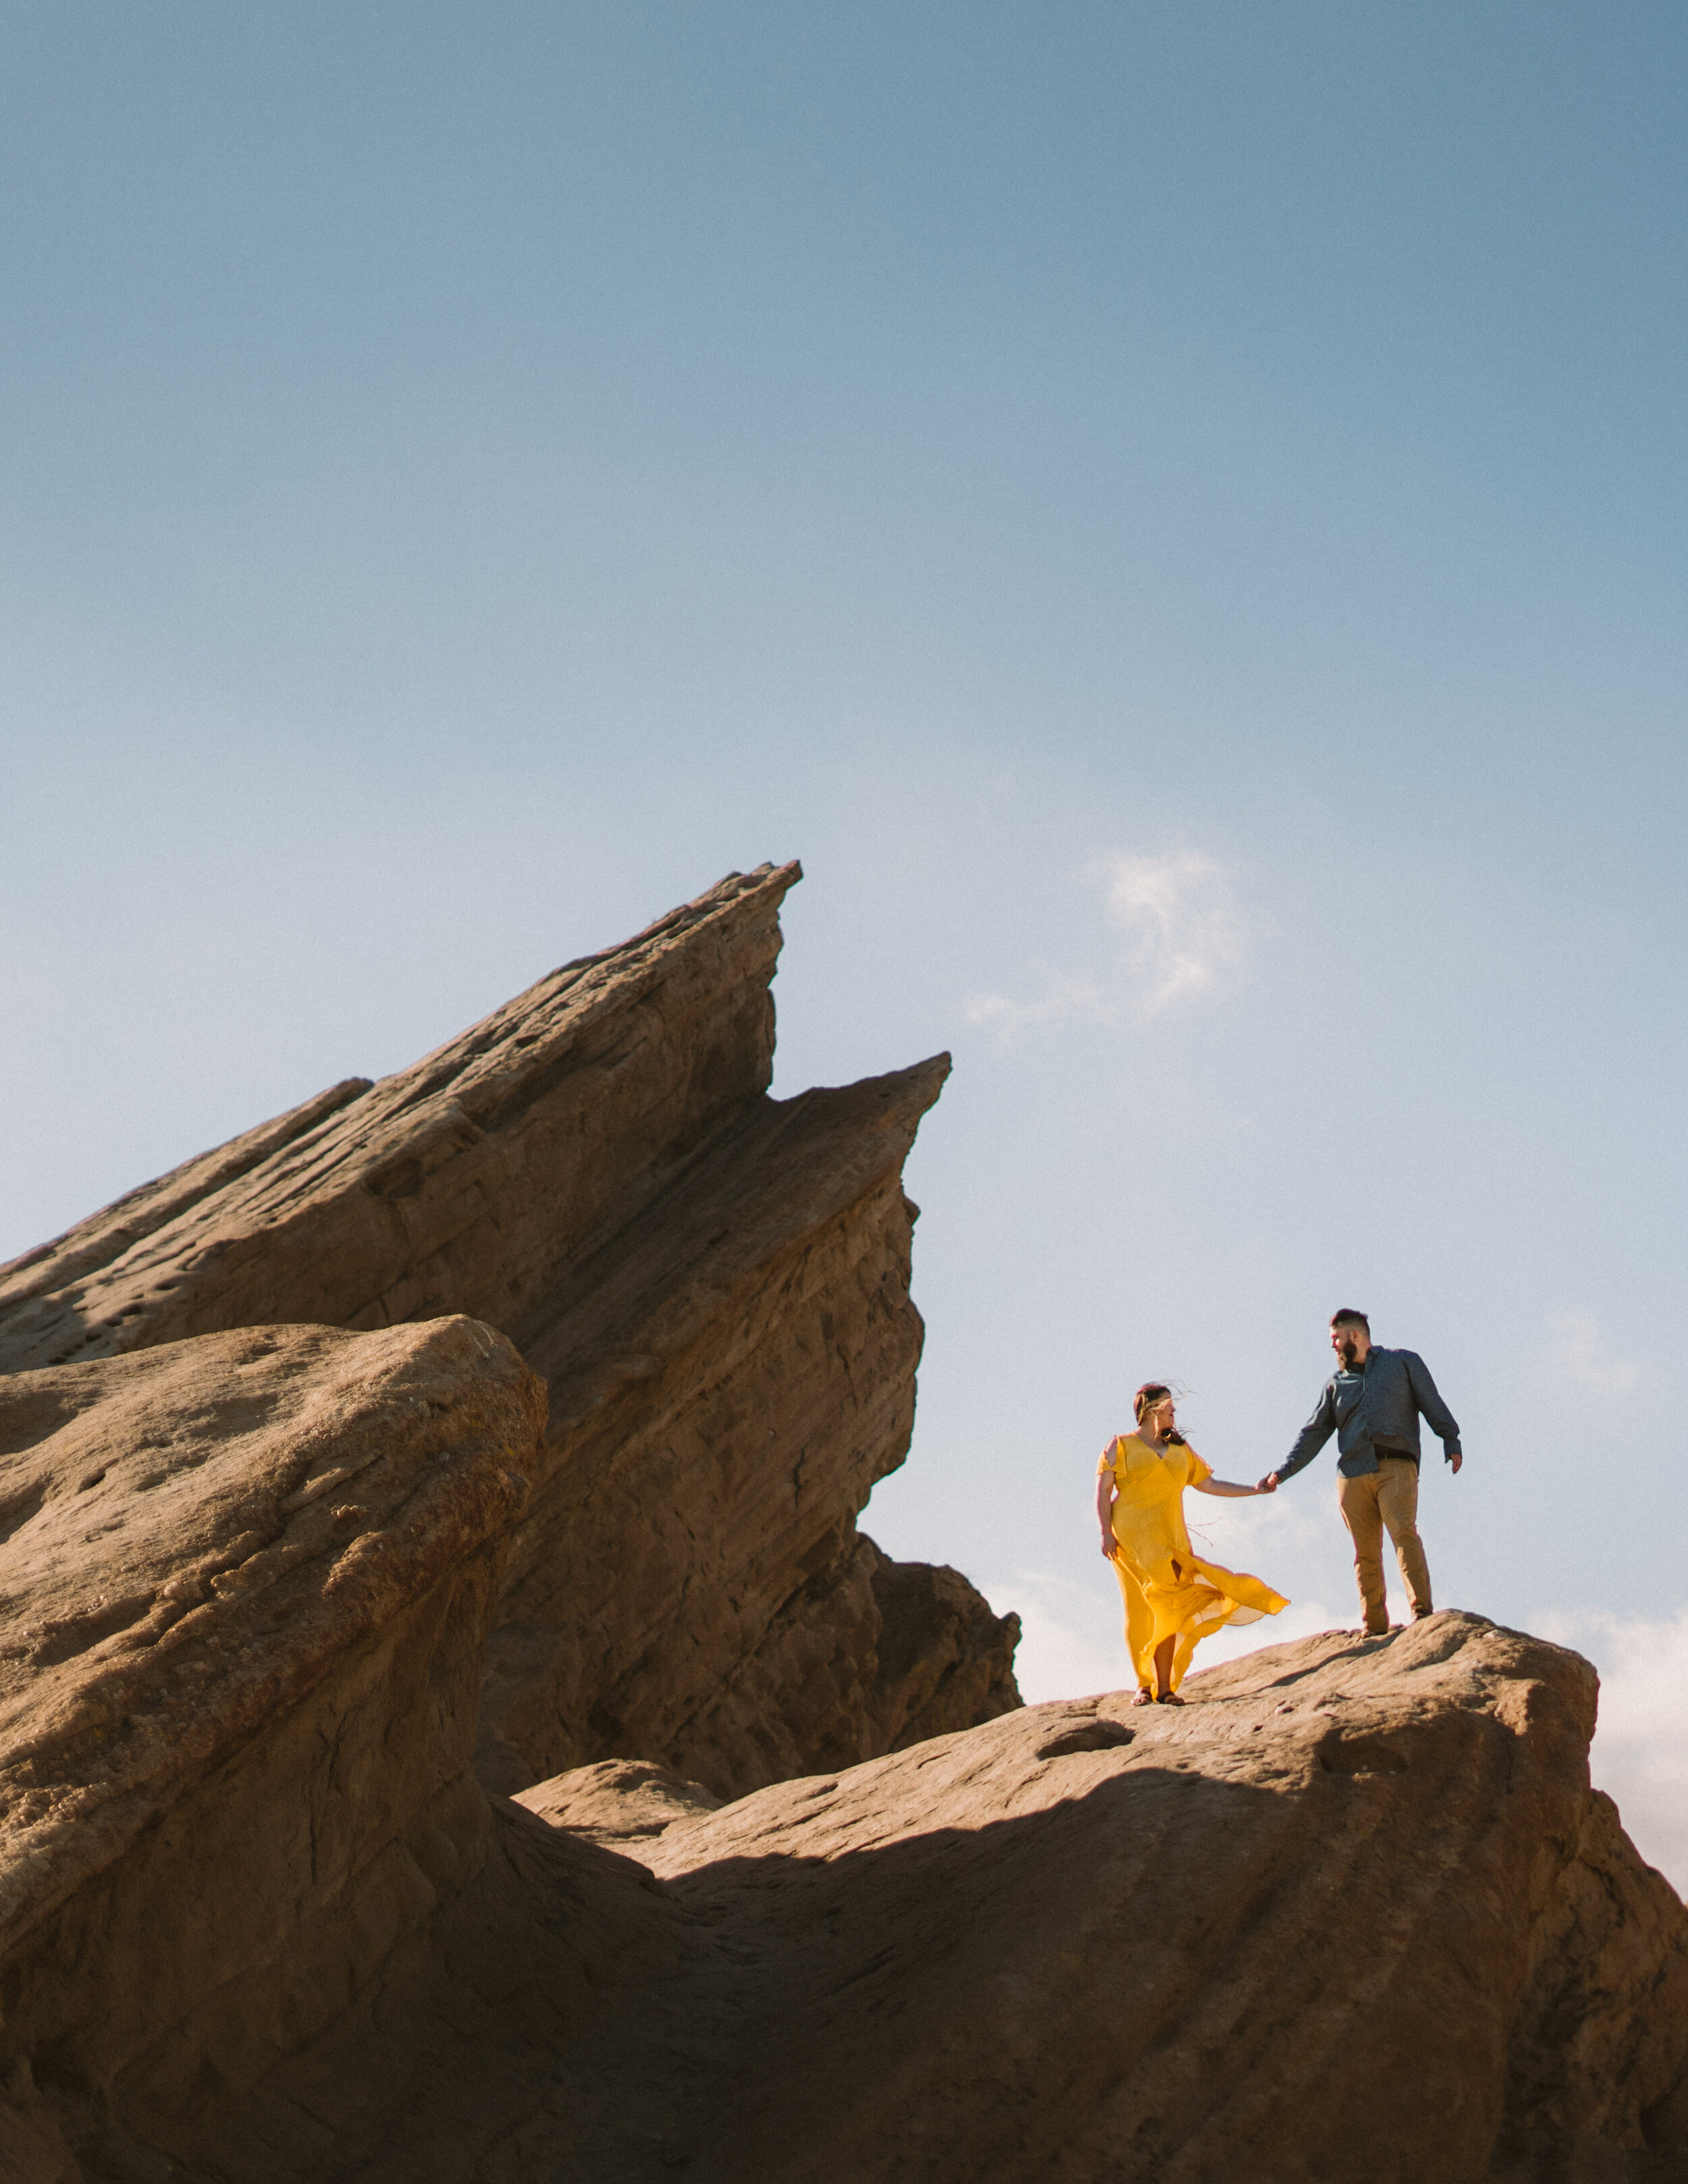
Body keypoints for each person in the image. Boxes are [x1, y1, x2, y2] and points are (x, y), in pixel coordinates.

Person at [1257, 1309, 1462, 1637]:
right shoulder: (1336, 1385)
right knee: (1365, 1554)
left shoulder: (1403, 1363)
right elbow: (1313, 1434)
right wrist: (1282, 1473)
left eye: (1336, 1338)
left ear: (1355, 1336)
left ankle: (1422, 1612)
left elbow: (1430, 1401)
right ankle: (1374, 1627)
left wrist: (1450, 1438)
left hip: (1396, 1466)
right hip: (1351, 1476)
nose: (1333, 1346)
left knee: (1404, 1536)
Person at [1097, 1384, 1288, 1705]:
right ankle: (1144, 1686)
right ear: (1151, 1409)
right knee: (1142, 1608)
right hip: (1130, 1539)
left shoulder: (1180, 1449)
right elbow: (1103, 1492)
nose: (1175, 1412)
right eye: (1170, 1406)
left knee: (1172, 1605)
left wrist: (1254, 1491)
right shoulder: (1120, 1445)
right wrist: (1105, 1532)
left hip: (1171, 1538)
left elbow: (1209, 1484)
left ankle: (1166, 1687)